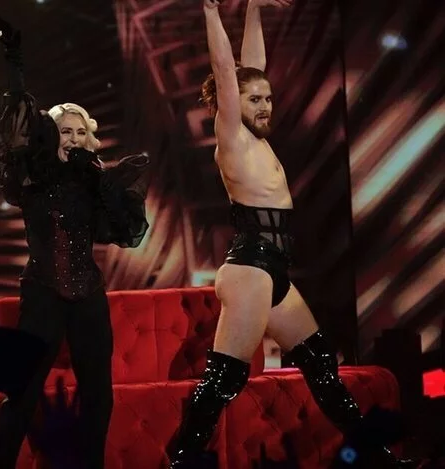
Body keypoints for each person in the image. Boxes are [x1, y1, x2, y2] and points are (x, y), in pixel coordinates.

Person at [168, 1, 415, 468]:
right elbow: (227, 70)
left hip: (273, 268)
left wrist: (254, 8)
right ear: (230, 102)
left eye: (268, 98)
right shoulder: (232, 137)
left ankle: (377, 459)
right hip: (250, 267)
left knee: (321, 365)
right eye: (254, 99)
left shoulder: (257, 139)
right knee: (225, 378)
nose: (265, 105)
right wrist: (211, 10)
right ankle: (182, 459)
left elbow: (251, 67)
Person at [0, 16, 150, 469]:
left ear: (90, 138)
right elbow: (18, 119)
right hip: (41, 293)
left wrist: (102, 180)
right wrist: (14, 61)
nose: (73, 138)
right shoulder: (32, 176)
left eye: (80, 131)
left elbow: (126, 231)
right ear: (49, 137)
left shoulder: (98, 182)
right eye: (64, 131)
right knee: (21, 393)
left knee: (98, 395)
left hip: (89, 296)